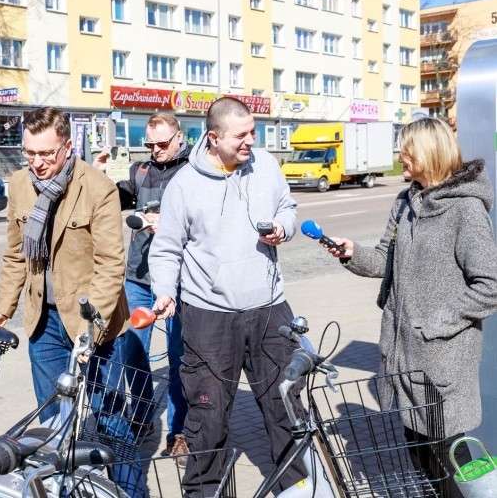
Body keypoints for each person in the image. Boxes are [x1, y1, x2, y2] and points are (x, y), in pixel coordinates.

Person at [323, 117, 497, 498]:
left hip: (441, 364)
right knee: (419, 461)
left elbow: (490, 285)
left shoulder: (465, 211)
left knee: (448, 468)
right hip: (405, 360)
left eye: (406, 148)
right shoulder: (405, 202)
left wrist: (435, 323)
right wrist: (352, 254)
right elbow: (385, 259)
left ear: (430, 152)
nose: (399, 156)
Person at [0, 107, 143, 497]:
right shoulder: (20, 184)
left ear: (68, 147)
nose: (37, 163)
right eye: (30, 153)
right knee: (52, 425)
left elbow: (110, 265)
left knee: (111, 423)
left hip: (96, 323)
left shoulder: (98, 187)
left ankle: (131, 493)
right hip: (45, 323)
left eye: (46, 154)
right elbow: (16, 254)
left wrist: (90, 330)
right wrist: (3, 308)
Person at [148, 97, 307, 494]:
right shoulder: (184, 185)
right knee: (209, 419)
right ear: (213, 137)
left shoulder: (265, 164)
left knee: (286, 408)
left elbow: (288, 205)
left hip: (271, 309)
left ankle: (301, 488)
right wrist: (165, 292)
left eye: (253, 132)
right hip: (210, 317)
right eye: (241, 135)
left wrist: (284, 228)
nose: (250, 141)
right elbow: (166, 248)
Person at [94, 112, 190, 461]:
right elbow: (110, 199)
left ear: (179, 137)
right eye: (149, 144)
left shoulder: (194, 170)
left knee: (180, 357)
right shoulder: (140, 170)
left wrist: (171, 224)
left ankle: (179, 431)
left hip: (181, 280)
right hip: (138, 276)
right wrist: (100, 171)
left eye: (162, 143)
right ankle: (144, 414)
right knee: (132, 352)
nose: (155, 150)